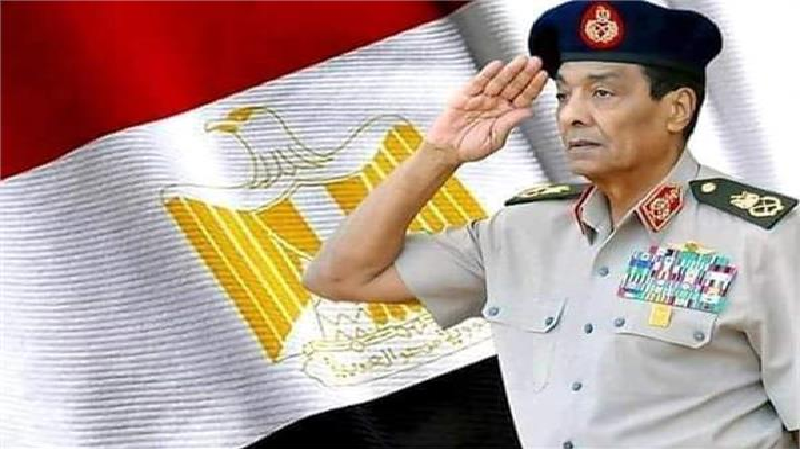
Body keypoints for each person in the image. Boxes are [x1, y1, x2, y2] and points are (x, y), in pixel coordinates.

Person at [303, 1, 799, 447]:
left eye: (602, 93)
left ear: (676, 109)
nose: (572, 116)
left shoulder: (764, 238)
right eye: (563, 96)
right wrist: (439, 155)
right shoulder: (522, 233)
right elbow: (341, 277)